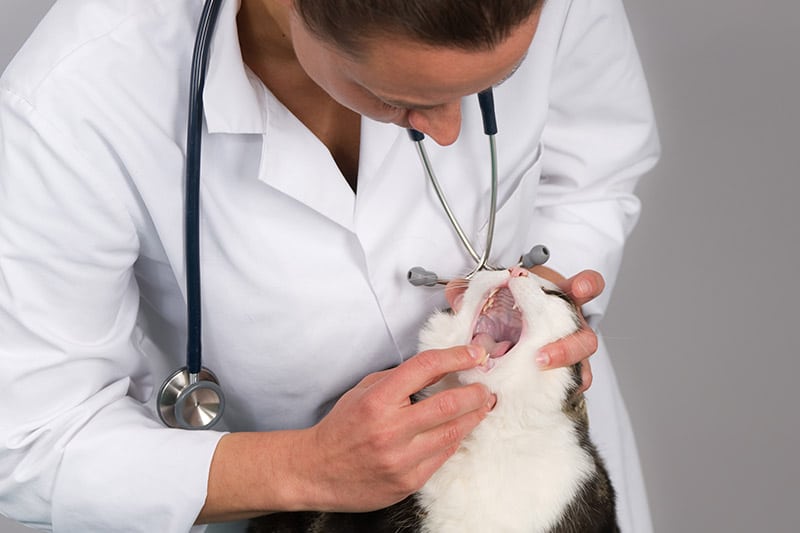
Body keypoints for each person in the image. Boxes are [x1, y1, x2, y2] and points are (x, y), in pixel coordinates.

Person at [0, 0, 659, 531]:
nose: (451, 131)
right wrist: (303, 468)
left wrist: (547, 298)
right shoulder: (74, 103)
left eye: (492, 87)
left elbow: (594, 168)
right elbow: (28, 441)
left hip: (539, 488)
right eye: (396, 96)